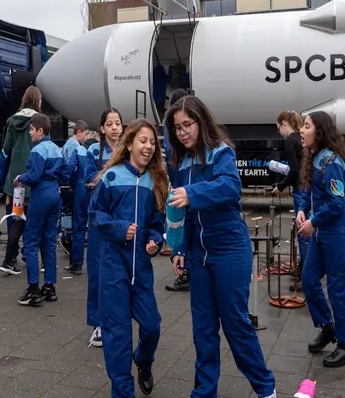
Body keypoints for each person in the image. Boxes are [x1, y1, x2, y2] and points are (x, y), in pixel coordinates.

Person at [167, 96, 276, 398]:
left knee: (236, 326)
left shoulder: (220, 152)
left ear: (201, 121)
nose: (183, 132)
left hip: (230, 250)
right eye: (177, 128)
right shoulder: (182, 162)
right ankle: (203, 393)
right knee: (203, 330)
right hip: (200, 255)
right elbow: (183, 213)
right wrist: (180, 250)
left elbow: (230, 187)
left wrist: (191, 192)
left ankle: (266, 389)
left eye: (187, 125)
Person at [88, 118, 166, 397]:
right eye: (143, 140)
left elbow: (157, 225)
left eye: (152, 142)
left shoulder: (155, 182)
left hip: (141, 271)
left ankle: (143, 362)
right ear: (130, 143)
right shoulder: (111, 177)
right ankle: (123, 392)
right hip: (113, 268)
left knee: (152, 327)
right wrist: (121, 229)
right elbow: (95, 214)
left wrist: (156, 240)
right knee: (117, 336)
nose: (148, 146)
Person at [296, 111, 345, 368]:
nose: (301, 130)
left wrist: (313, 222)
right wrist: (302, 208)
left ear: (319, 132)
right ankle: (327, 327)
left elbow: (336, 203)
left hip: (336, 234)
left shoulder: (331, 162)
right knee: (309, 280)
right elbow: (306, 190)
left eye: (307, 126)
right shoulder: (314, 157)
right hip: (322, 233)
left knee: (336, 289)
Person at [14, 113, 70, 306]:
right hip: (55, 193)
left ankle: (33, 289)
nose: (30, 133)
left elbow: (34, 175)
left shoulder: (38, 150)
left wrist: (21, 177)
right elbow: (66, 174)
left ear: (40, 130)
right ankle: (50, 287)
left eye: (31, 129)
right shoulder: (57, 149)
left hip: (41, 195)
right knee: (49, 241)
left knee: (31, 240)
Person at [86, 107, 123, 348]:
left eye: (118, 123)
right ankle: (99, 323)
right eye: (109, 124)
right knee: (98, 272)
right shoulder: (92, 150)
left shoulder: (128, 149)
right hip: (100, 218)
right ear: (102, 128)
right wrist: (111, 169)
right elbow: (89, 179)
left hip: (122, 215)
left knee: (121, 271)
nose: (114, 128)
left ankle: (119, 319)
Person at [0, 86, 43, 275]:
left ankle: (9, 260)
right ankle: (30, 254)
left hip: (15, 181)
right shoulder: (39, 122)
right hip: (32, 179)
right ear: (37, 101)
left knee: (16, 218)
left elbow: (6, 149)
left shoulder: (13, 121)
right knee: (33, 220)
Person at [273, 110, 306, 291]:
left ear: (284, 123)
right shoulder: (301, 139)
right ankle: (302, 269)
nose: (280, 133)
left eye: (279, 129)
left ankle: (305, 277)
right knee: (305, 231)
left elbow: (294, 170)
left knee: (303, 233)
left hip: (300, 189)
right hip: (307, 187)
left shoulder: (290, 141)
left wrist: (281, 186)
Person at [163, 88, 192, 293]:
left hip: (179, 181)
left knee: (181, 223)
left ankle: (185, 271)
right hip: (182, 180)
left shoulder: (170, 126)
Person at [65, 121, 93, 275]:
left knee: (78, 226)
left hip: (81, 190)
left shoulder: (79, 150)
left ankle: (76, 263)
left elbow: (71, 169)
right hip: (95, 191)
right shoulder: (98, 150)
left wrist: (73, 185)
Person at [60, 121, 89, 257]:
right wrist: (72, 183)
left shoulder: (69, 143)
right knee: (71, 215)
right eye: (85, 133)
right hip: (71, 185)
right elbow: (73, 167)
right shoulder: (75, 146)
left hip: (68, 183)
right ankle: (66, 238)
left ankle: (66, 237)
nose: (86, 137)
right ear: (79, 132)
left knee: (67, 213)